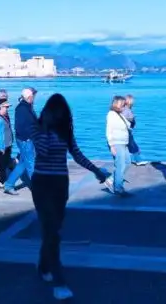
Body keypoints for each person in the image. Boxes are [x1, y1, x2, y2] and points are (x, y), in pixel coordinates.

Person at [31, 94, 110, 301]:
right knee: (52, 232)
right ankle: (59, 281)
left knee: (53, 230)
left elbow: (77, 154)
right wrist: (45, 129)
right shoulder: (38, 130)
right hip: (42, 184)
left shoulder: (66, 131)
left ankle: (43, 265)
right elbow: (43, 152)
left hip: (59, 184)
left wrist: (96, 171)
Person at [2, 88, 37, 194]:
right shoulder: (22, 109)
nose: (34, 98)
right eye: (33, 97)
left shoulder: (26, 107)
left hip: (26, 140)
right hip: (26, 140)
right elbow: (21, 126)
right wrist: (28, 137)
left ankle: (8, 185)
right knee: (31, 164)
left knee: (23, 164)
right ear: (29, 97)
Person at [104, 95, 132, 196]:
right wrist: (111, 145)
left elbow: (128, 125)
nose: (124, 107)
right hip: (116, 143)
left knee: (128, 162)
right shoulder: (111, 114)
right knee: (120, 165)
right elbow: (108, 131)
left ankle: (111, 180)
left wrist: (130, 120)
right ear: (117, 104)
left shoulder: (119, 114)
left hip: (124, 142)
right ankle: (118, 188)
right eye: (123, 105)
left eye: (125, 105)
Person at [121, 94, 148, 166]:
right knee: (134, 147)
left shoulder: (122, 109)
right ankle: (138, 160)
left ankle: (125, 160)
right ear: (130, 103)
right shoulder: (127, 111)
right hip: (127, 132)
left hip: (123, 132)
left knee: (127, 146)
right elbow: (130, 121)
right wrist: (133, 119)